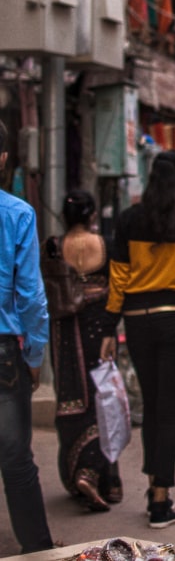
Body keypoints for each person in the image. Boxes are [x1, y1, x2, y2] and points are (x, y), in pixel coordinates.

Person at [105, 150, 175, 528]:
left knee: (151, 405)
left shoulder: (129, 218)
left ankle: (155, 486)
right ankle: (160, 500)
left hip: (136, 322)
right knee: (168, 410)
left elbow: (117, 278)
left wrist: (108, 328)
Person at [44, 190, 122, 512]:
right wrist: (111, 330)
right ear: (91, 216)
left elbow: (42, 288)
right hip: (97, 328)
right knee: (104, 398)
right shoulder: (103, 245)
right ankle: (96, 475)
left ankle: (80, 474)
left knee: (72, 399)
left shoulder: (52, 246)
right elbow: (117, 287)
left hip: (64, 332)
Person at [0, 121, 54, 553]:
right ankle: (38, 549)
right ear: (3, 159)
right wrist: (35, 355)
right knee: (16, 459)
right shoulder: (16, 213)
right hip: (4, 355)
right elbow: (31, 297)